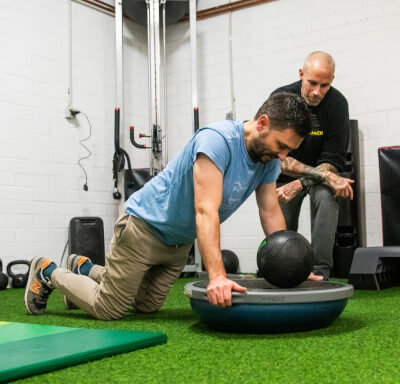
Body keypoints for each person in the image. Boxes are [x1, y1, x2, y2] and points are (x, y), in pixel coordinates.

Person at [24, 92, 315, 321]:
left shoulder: (268, 161)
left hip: (178, 243)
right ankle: (49, 272)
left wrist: (289, 266)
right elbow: (206, 210)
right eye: (281, 145)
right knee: (110, 307)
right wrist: (216, 276)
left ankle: (85, 269)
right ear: (262, 123)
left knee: (146, 306)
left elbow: (269, 210)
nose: (283, 156)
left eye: (289, 149)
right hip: (143, 228)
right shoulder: (217, 141)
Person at [272, 51, 354, 280]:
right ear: (301, 74)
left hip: (317, 177)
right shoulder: (282, 99)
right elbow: (278, 158)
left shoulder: (337, 104)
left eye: (324, 85)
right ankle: (281, 271)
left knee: (327, 196)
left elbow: (331, 162)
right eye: (312, 83)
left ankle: (320, 273)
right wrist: (300, 181)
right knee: (282, 227)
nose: (317, 91)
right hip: (284, 177)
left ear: (332, 80)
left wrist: (301, 183)